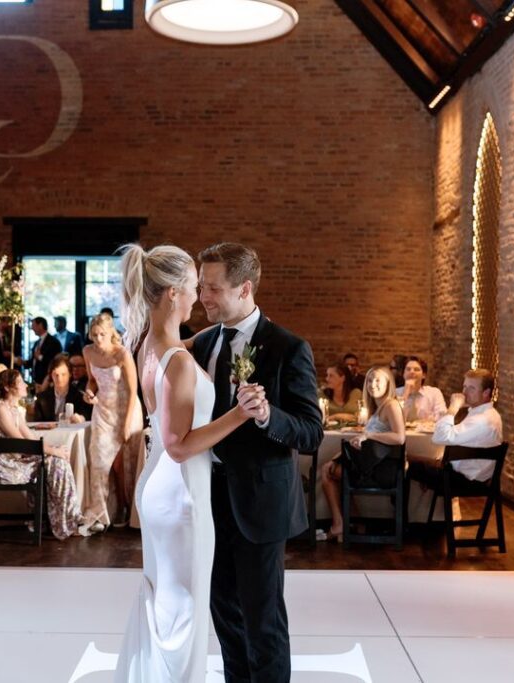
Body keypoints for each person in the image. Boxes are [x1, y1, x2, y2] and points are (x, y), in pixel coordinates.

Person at [114, 243, 265, 683]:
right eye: (192, 288)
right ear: (171, 296)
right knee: (186, 609)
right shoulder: (178, 361)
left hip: (158, 485)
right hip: (181, 490)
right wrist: (239, 413)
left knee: (166, 601)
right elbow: (178, 444)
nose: (198, 297)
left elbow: (183, 347)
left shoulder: (151, 347)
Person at [192, 242, 323, 683]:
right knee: (224, 616)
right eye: (200, 286)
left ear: (245, 288)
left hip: (260, 504)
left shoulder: (288, 348)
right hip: (208, 501)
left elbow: (310, 431)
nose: (203, 296)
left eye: (213, 288)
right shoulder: (203, 345)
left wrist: (268, 415)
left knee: (263, 623)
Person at [0, 368, 83, 540]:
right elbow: (23, 444)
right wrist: (54, 451)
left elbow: (32, 439)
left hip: (16, 461)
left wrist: (55, 449)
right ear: (7, 387)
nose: (25, 385)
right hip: (4, 467)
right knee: (56, 461)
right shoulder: (0, 410)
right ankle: (66, 520)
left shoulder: (15, 410)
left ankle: (63, 519)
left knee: (56, 460)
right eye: (20, 381)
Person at [319, 366, 405, 541]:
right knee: (330, 467)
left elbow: (400, 437)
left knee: (327, 472)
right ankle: (355, 523)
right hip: (371, 465)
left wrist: (368, 434)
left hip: (381, 471)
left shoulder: (391, 405)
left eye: (378, 380)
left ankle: (340, 525)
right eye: (370, 380)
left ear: (389, 383)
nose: (373, 384)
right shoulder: (379, 407)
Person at [82, 313, 142, 531]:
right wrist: (89, 392)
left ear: (111, 333)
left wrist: (126, 425)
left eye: (102, 334)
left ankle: (126, 510)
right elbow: (91, 380)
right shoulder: (88, 352)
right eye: (95, 335)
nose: (98, 339)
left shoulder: (122, 354)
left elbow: (134, 389)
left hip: (125, 409)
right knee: (98, 462)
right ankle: (100, 514)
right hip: (102, 412)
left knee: (123, 466)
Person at [411, 368, 503, 486]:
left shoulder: (482, 420)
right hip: (466, 474)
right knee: (416, 459)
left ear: (486, 393)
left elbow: (439, 437)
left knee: (407, 463)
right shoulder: (487, 413)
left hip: (464, 480)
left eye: (471, 388)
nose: (464, 392)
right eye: (464, 386)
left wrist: (453, 407)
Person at [34, 354, 91, 422]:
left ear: (70, 374)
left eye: (63, 374)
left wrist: (80, 418)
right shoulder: (42, 398)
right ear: (51, 375)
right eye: (56, 375)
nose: (59, 379)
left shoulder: (79, 396)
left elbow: (86, 416)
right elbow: (37, 422)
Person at [396, 356, 447, 422]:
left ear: (424, 375)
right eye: (408, 369)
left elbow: (442, 416)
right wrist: (405, 394)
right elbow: (395, 418)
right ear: (403, 374)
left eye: (416, 369)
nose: (412, 372)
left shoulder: (434, 393)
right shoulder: (395, 393)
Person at [28, 317, 62, 389]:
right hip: (36, 379)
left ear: (40, 325)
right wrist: (23, 362)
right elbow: (33, 360)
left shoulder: (54, 342)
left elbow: (55, 360)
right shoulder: (37, 342)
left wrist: (40, 357)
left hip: (47, 379)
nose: (32, 328)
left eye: (33, 326)